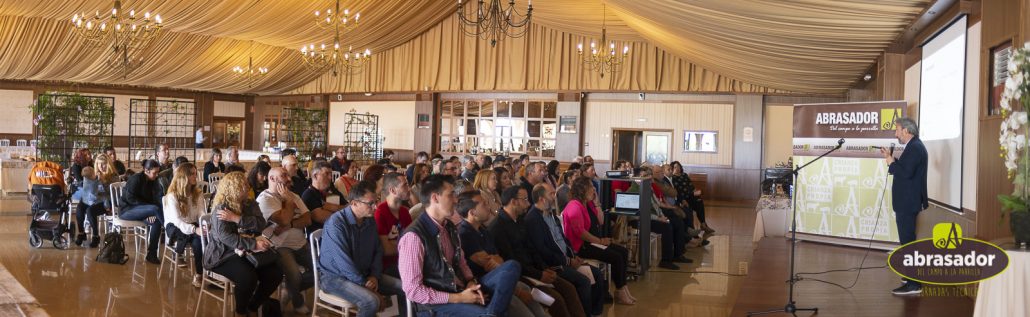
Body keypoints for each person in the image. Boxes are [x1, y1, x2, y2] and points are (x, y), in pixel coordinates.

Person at [398, 174, 519, 316]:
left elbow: (461, 262)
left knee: (512, 267)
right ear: (435, 198)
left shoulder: (449, 226)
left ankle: (491, 312)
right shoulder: (413, 237)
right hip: (437, 305)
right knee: (498, 308)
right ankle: (490, 313)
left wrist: (470, 282)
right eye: (451, 195)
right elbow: (413, 291)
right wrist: (459, 298)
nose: (456, 200)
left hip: (459, 288)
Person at [491, 186, 587, 317]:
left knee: (568, 289)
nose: (529, 203)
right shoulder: (498, 227)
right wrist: (539, 274)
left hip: (535, 270)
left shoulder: (519, 219)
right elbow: (512, 261)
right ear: (513, 202)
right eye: (524, 199)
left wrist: (544, 269)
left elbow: (532, 249)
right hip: (521, 275)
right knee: (555, 300)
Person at [455, 191, 553, 317]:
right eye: (484, 205)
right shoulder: (465, 234)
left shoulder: (482, 229)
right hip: (486, 286)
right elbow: (490, 264)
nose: (489, 207)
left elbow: (499, 260)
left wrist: (495, 261)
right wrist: (516, 291)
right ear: (472, 213)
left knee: (528, 291)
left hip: (499, 277)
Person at [318, 180, 406, 317]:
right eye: (370, 203)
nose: (376, 207)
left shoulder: (369, 220)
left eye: (376, 201)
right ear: (354, 203)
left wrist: (375, 276)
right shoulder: (336, 224)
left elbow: (378, 250)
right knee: (371, 301)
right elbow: (343, 263)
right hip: (335, 278)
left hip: (365, 274)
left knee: (406, 288)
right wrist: (366, 285)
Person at [204, 172, 283, 316]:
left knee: (275, 274)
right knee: (248, 278)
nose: (248, 187)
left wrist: (237, 219)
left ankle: (252, 306)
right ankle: (241, 312)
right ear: (234, 188)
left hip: (246, 250)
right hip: (223, 254)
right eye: (244, 185)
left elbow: (260, 224)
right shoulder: (221, 208)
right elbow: (226, 238)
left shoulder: (249, 203)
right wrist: (253, 244)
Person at [525, 184, 602, 316]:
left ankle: (595, 312)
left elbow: (563, 239)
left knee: (596, 274)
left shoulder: (551, 215)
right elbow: (542, 250)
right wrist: (567, 261)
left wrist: (573, 255)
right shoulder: (533, 219)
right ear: (541, 199)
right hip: (554, 264)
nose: (555, 197)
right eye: (551, 194)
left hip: (567, 259)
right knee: (583, 281)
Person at [562, 178, 635, 304]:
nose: (594, 189)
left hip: (592, 242)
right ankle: (620, 291)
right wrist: (600, 241)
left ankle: (622, 289)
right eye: (591, 186)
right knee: (616, 257)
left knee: (623, 252)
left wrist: (596, 203)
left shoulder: (588, 203)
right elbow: (581, 233)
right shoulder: (574, 206)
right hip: (581, 247)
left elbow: (600, 221)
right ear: (582, 190)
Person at [256, 167, 314, 314]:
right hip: (279, 246)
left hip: (301, 243)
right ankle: (297, 299)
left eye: (287, 175)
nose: (289, 178)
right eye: (284, 175)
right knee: (294, 274)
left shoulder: (293, 195)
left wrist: (290, 225)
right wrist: (288, 202)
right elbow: (283, 219)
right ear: (272, 179)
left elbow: (307, 219)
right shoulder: (265, 199)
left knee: (322, 269)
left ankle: (291, 289)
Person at [882, 117, 929, 296]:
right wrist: (891, 158)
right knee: (907, 241)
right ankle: (911, 277)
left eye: (897, 130)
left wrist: (890, 162)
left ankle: (914, 284)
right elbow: (906, 169)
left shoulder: (915, 148)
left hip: (908, 202)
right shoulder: (914, 146)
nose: (896, 133)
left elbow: (905, 173)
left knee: (908, 243)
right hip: (907, 201)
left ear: (907, 131)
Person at [162, 163, 206, 287]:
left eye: (195, 173)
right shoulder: (172, 196)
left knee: (201, 240)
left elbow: (201, 213)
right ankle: (199, 273)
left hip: (191, 224)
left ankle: (201, 273)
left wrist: (203, 224)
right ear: (184, 176)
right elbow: (177, 221)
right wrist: (194, 229)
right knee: (197, 238)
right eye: (192, 174)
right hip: (175, 227)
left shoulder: (197, 193)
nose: (195, 176)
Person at [120, 159, 165, 264]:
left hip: (142, 210)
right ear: (146, 170)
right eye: (155, 173)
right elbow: (130, 199)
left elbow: (156, 199)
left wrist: (148, 211)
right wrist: (148, 210)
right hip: (127, 210)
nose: (157, 175)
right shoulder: (135, 179)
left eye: (158, 172)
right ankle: (170, 230)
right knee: (155, 209)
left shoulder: (153, 181)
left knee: (156, 222)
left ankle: (151, 254)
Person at [374, 173, 413, 277]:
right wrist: (407, 247)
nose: (409, 188)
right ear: (393, 190)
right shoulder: (380, 213)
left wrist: (395, 244)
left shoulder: (404, 212)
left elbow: (412, 240)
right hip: (388, 267)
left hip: (405, 262)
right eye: (405, 185)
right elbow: (386, 250)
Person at [669, 161, 713, 234]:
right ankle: (701, 226)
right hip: (683, 198)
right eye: (675, 167)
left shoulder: (684, 175)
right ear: (672, 169)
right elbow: (679, 191)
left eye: (678, 166)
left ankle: (703, 224)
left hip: (691, 196)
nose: (677, 168)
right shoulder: (673, 178)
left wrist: (694, 191)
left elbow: (691, 185)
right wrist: (693, 193)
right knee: (695, 202)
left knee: (699, 201)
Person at [302, 161, 347, 232]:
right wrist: (341, 210)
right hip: (321, 237)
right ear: (315, 176)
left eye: (331, 174)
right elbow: (323, 218)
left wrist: (332, 207)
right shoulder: (309, 194)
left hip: (339, 231)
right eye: (326, 174)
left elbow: (349, 208)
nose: (330, 177)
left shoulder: (332, 191)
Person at [72, 166, 106, 247]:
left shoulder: (99, 180)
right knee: (79, 209)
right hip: (87, 200)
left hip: (98, 201)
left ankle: (95, 236)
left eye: (89, 177)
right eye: (86, 177)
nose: (88, 178)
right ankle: (81, 233)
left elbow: (103, 193)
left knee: (90, 211)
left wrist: (99, 182)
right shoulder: (86, 180)